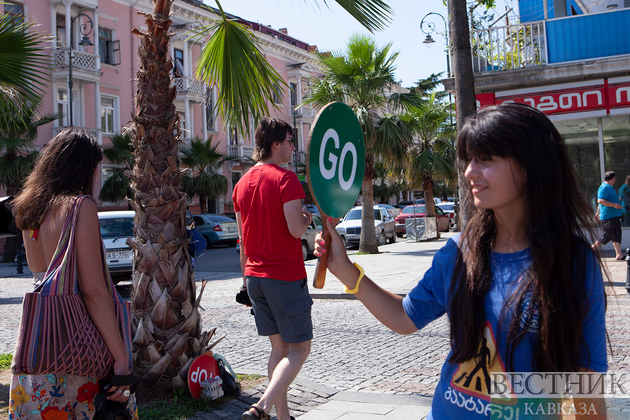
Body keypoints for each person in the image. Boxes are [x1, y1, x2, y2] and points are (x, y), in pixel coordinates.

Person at [314, 104, 607, 418]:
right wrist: (345, 270)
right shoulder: (458, 252)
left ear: (530, 164)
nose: (469, 172)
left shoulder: (574, 263)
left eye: (486, 159)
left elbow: (585, 384)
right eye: (469, 160)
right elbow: (403, 317)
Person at [9, 129, 137, 419]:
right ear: (86, 169)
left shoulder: (30, 209)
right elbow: (92, 291)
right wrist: (121, 358)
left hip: (39, 352)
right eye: (96, 167)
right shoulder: (80, 207)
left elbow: (40, 274)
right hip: (76, 355)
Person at [233, 118, 313, 420]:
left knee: (279, 349)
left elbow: (242, 241)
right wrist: (306, 218)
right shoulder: (286, 179)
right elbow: (295, 230)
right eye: (290, 140)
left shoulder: (240, 183)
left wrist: (245, 281)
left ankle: (282, 417)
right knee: (299, 349)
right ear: (275, 144)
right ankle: (261, 407)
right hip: (284, 275)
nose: (293, 147)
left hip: (254, 277)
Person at [592, 171, 624, 260]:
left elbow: (600, 204)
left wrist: (598, 212)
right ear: (613, 178)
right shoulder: (604, 187)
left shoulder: (610, 188)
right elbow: (600, 201)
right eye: (615, 179)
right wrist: (614, 205)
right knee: (607, 235)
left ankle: (619, 254)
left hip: (615, 215)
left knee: (617, 234)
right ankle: (592, 248)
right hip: (608, 216)